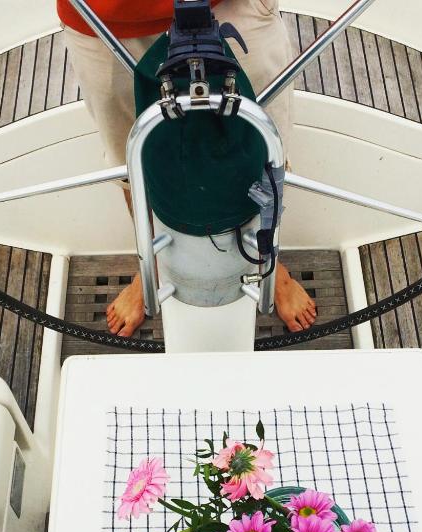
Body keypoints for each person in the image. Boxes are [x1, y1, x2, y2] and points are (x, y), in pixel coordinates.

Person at [58, 0, 318, 337]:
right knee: (132, 159)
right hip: (101, 17)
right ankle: (152, 262)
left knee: (265, 147)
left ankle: (268, 260)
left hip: (230, 6)